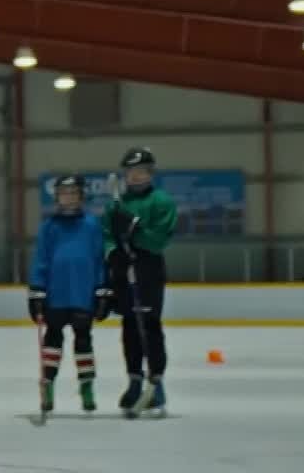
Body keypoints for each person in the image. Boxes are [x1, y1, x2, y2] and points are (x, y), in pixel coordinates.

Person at [27, 174, 111, 414]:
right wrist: (37, 289)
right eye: (64, 193)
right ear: (57, 197)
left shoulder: (92, 225)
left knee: (83, 339)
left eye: (74, 192)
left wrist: (102, 289)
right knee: (52, 339)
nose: (69, 197)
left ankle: (87, 385)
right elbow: (41, 260)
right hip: (56, 293)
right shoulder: (49, 227)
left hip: (83, 293)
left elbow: (99, 259)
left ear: (81, 196)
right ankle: (48, 384)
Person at [104, 146, 177, 418]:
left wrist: (134, 229)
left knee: (149, 324)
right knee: (130, 325)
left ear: (150, 173)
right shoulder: (116, 205)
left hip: (148, 267)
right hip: (124, 268)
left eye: (141, 171)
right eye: (131, 171)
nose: (135, 176)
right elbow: (106, 235)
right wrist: (113, 252)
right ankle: (134, 379)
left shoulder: (161, 201)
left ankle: (156, 382)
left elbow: (160, 239)